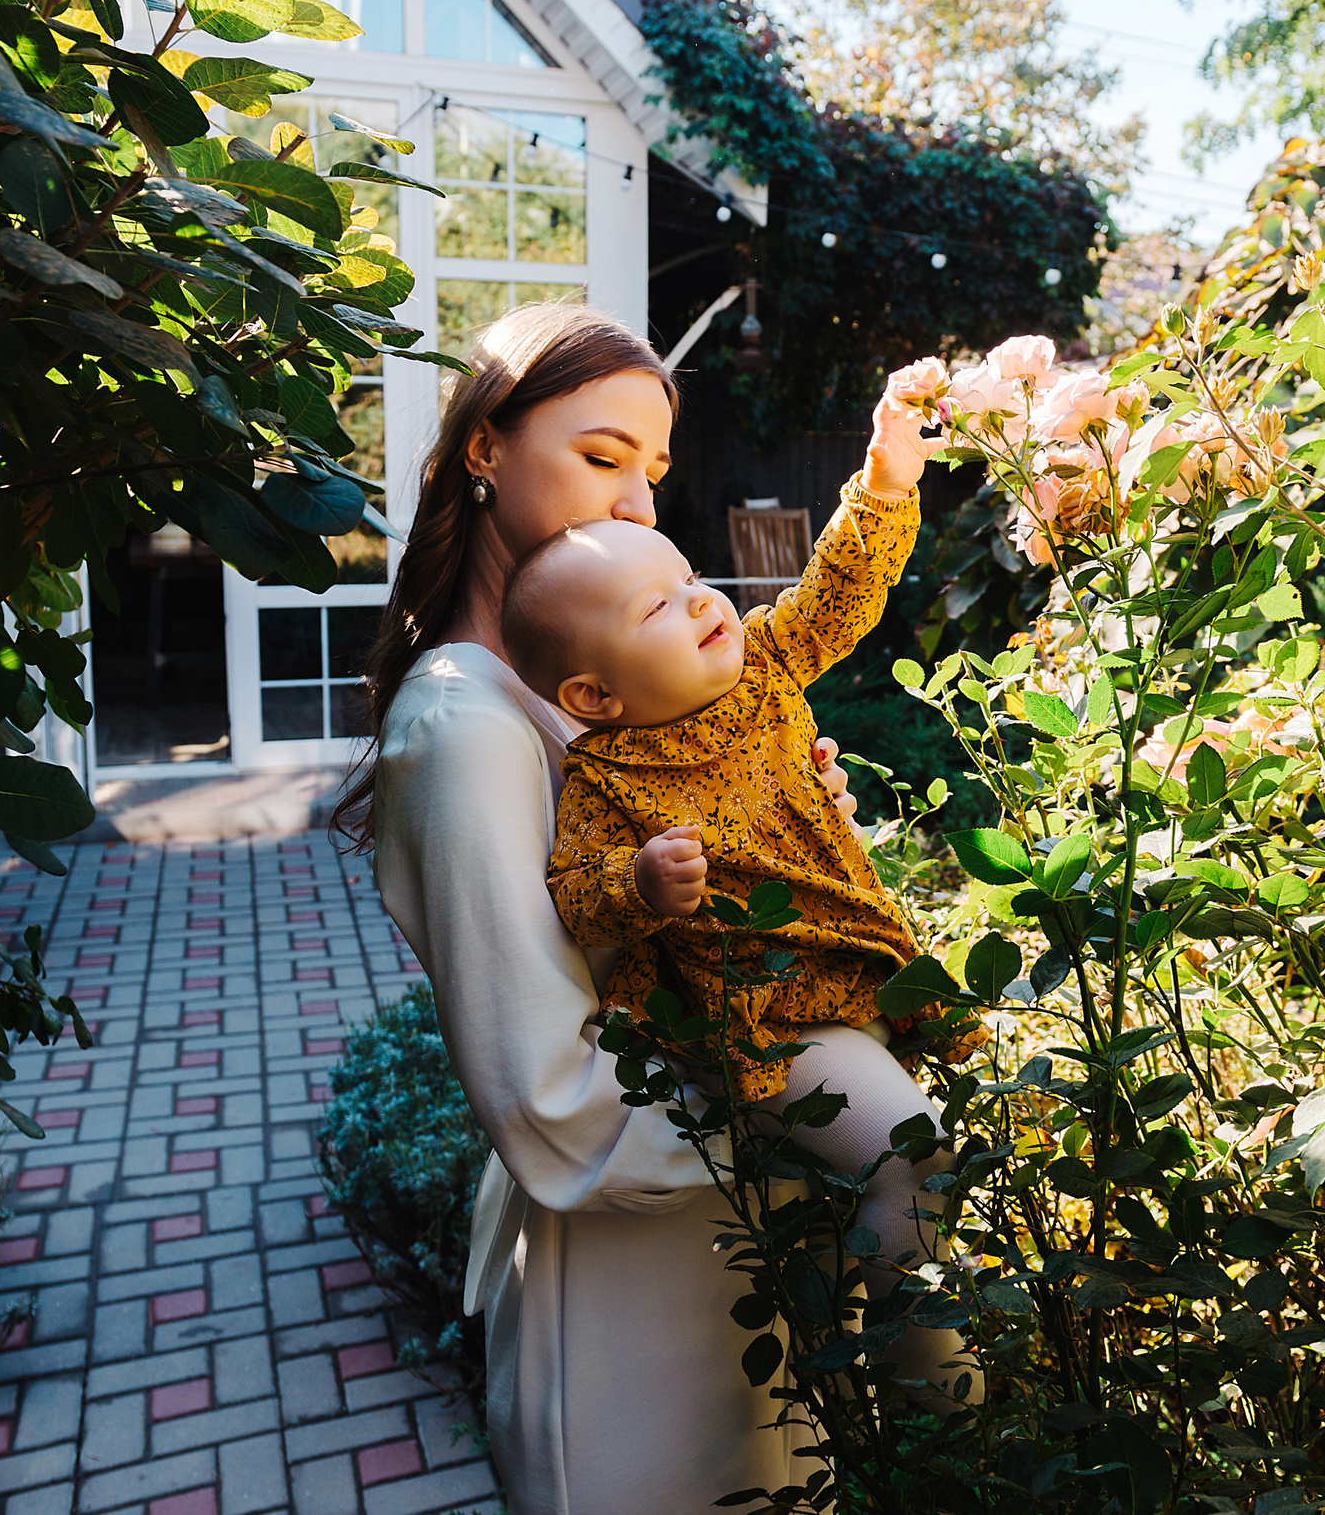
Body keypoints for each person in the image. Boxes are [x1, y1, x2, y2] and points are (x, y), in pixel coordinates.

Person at [341, 302, 860, 1513]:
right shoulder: (466, 723)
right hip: (635, 1286)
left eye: (654, 469)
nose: (636, 502)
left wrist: (787, 826)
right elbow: (550, 1091)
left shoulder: (602, 686)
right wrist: (818, 1127)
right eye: (599, 455)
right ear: (484, 447)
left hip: (724, 1243)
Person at [496, 366, 980, 1403]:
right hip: (761, 1019)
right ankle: (926, 1392)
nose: (700, 600)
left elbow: (838, 593)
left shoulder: (761, 665)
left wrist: (887, 482)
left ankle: (845, 1370)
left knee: (846, 1200)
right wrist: (637, 883)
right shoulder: (608, 774)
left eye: (687, 576)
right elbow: (572, 893)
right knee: (914, 1155)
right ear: (594, 692)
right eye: (654, 608)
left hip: (850, 977)